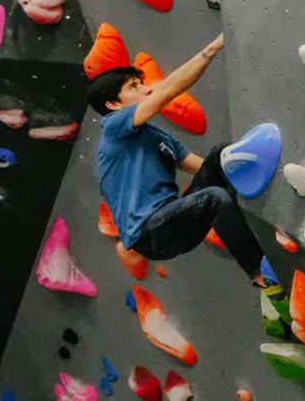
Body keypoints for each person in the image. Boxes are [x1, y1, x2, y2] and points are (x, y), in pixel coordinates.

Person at [86, 33, 270, 287]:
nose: (146, 88)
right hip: (150, 234)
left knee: (222, 154)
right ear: (114, 104)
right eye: (134, 87)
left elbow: (202, 166)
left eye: (141, 83)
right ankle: (261, 276)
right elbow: (170, 89)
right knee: (213, 198)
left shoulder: (154, 135)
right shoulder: (113, 127)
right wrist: (215, 45)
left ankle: (257, 212)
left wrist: (238, 166)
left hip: (174, 217)